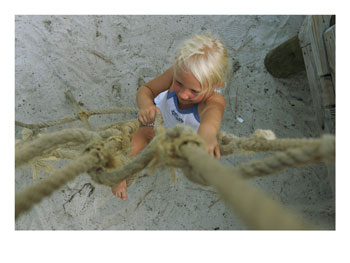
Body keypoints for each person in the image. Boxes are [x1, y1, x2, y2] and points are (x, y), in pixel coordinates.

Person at [112, 34, 230, 200]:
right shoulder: (175, 73)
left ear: (216, 85)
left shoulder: (214, 100)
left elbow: (212, 117)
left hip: (182, 136)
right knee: (142, 135)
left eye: (194, 91)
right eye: (179, 83)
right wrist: (146, 105)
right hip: (159, 119)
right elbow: (146, 90)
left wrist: (208, 135)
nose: (183, 94)